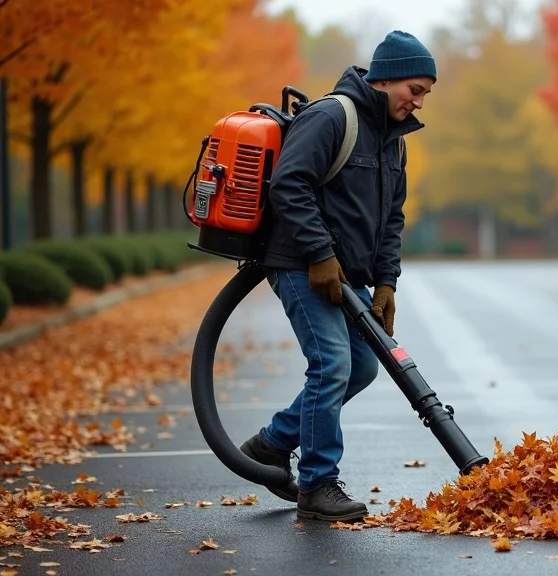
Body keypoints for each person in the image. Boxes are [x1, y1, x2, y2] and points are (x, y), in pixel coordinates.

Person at [237, 30, 435, 523]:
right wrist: (320, 254)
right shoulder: (332, 116)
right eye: (415, 88)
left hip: (349, 277)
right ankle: (318, 484)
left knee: (364, 367)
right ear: (385, 78)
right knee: (331, 366)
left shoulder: (395, 142)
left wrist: (387, 283)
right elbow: (289, 183)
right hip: (301, 265)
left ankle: (274, 441)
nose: (419, 100)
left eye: (425, 93)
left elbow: (392, 218)